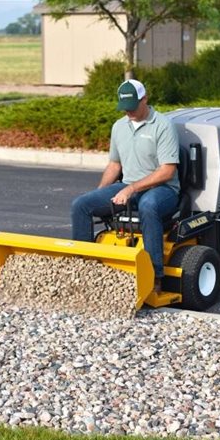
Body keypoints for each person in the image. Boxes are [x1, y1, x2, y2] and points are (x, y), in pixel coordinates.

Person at [71, 79, 180, 293]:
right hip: (129, 186)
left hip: (163, 190)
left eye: (132, 107)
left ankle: (155, 276)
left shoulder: (163, 126)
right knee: (81, 205)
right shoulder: (119, 127)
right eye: (124, 107)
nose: (127, 112)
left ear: (145, 99)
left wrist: (130, 189)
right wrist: (100, 193)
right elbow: (114, 164)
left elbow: (168, 171)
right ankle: (83, 268)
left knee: (149, 207)